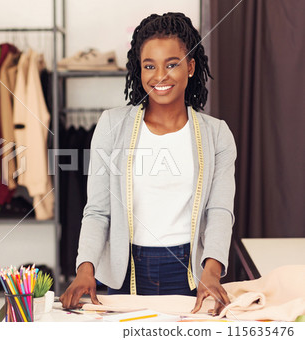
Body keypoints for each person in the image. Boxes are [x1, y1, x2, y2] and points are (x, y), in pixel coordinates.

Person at [60, 12, 236, 316]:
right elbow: (98, 210)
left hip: (191, 273)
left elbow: (219, 211)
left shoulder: (216, 134)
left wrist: (213, 271)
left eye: (172, 64)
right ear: (138, 70)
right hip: (126, 271)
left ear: (191, 67)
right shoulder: (112, 125)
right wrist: (85, 269)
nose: (160, 76)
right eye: (149, 66)